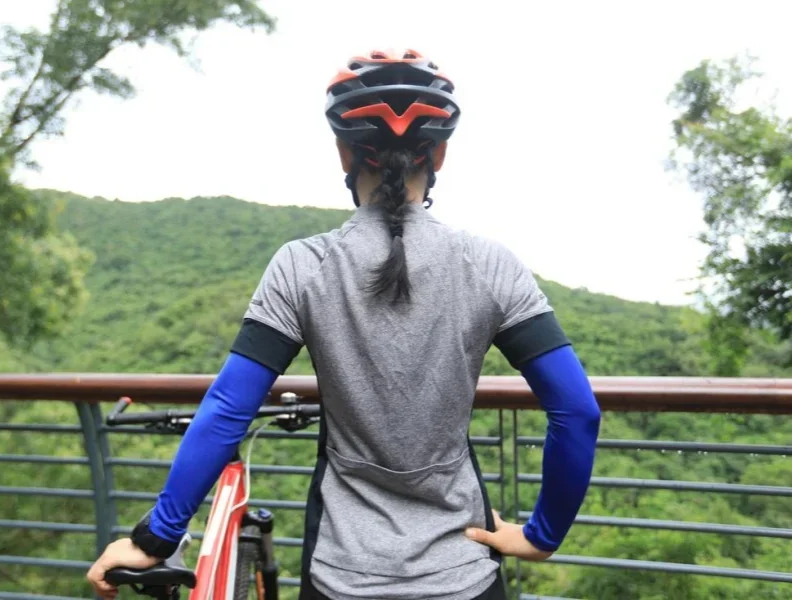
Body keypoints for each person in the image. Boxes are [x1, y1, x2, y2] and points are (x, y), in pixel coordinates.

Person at [87, 48, 601, 600]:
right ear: (441, 155)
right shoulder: (491, 265)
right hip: (464, 577)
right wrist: (542, 535)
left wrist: (155, 538)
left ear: (343, 154)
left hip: (341, 577)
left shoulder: (303, 266)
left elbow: (228, 410)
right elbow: (576, 410)